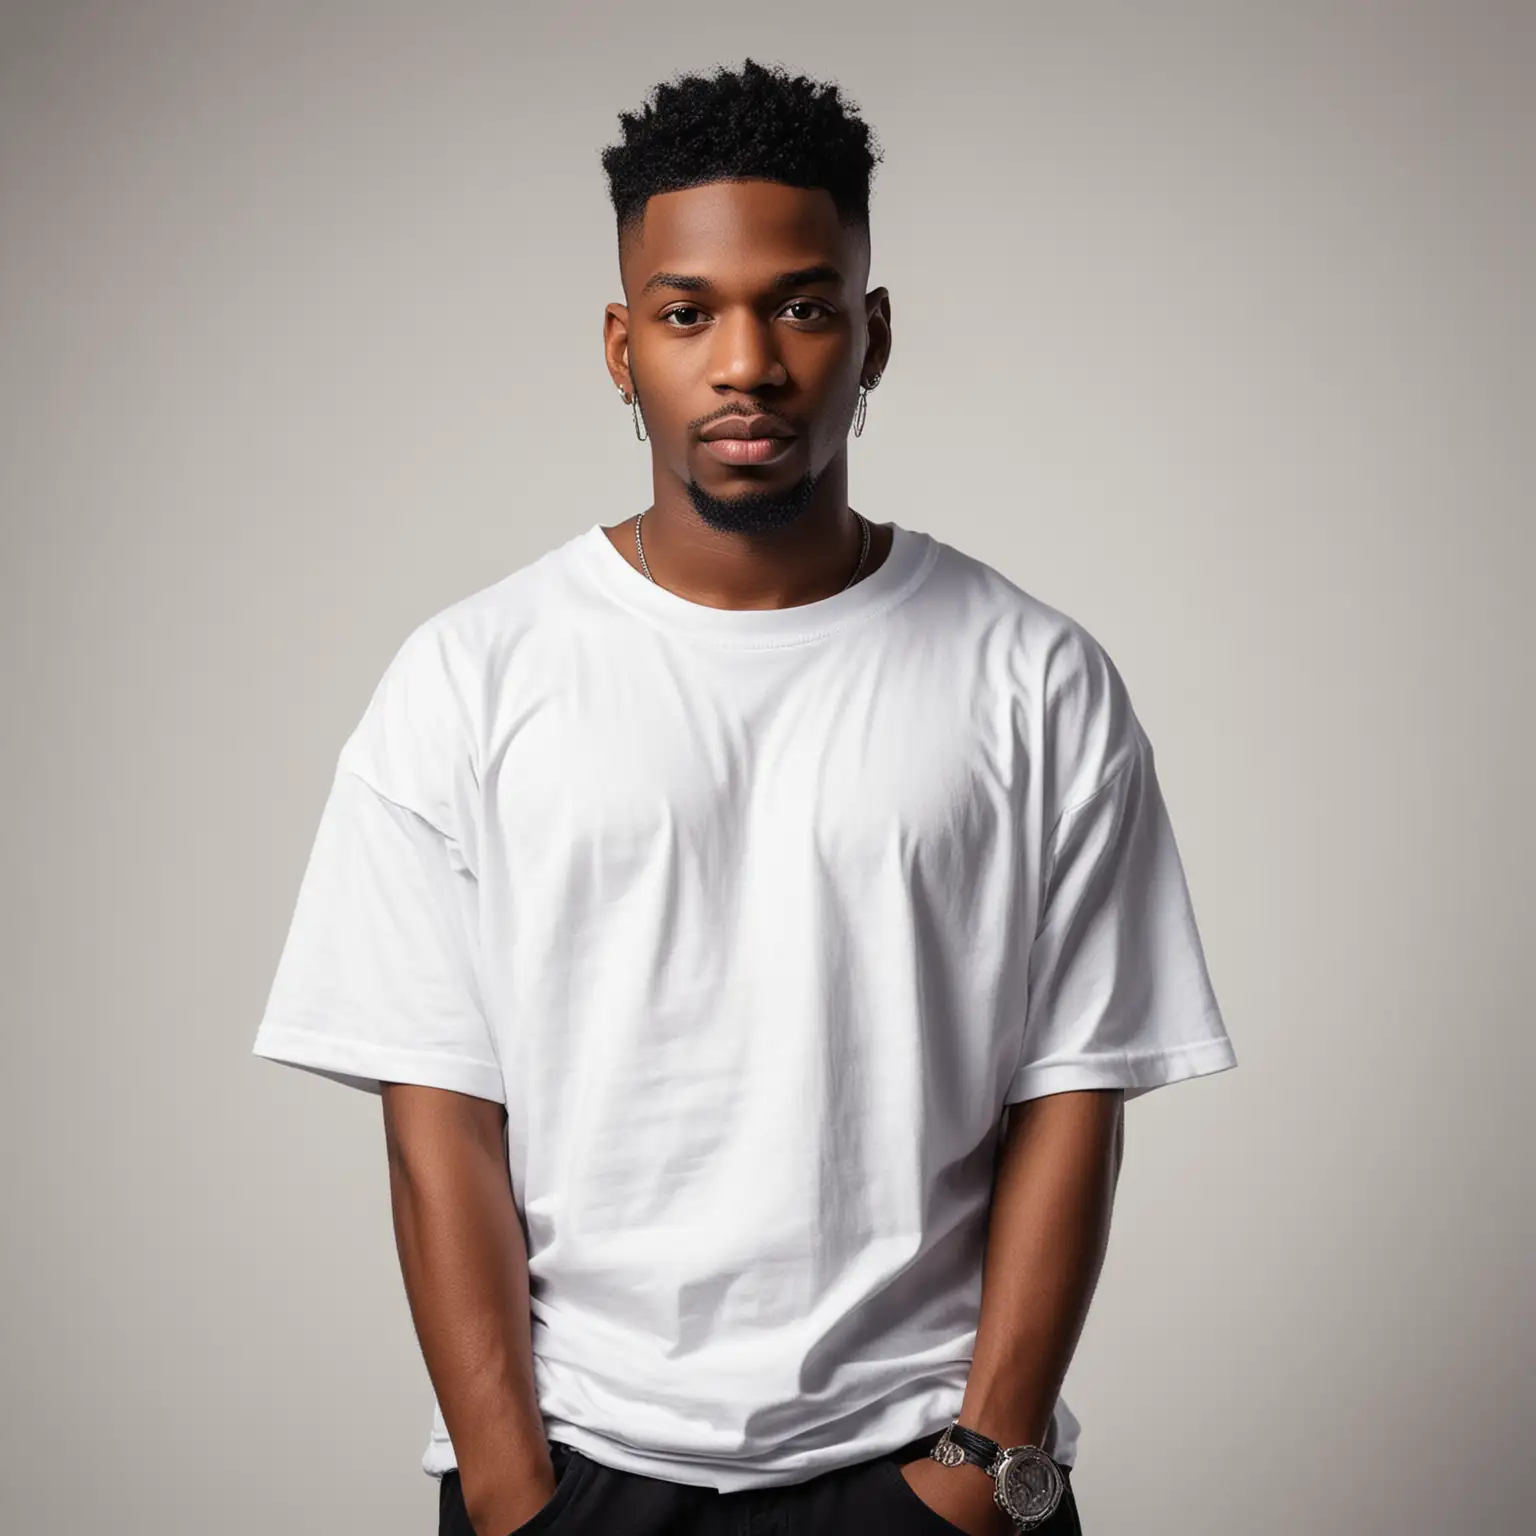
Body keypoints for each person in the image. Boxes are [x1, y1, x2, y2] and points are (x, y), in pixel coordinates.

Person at [251, 57, 1238, 1536]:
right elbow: (437, 1117)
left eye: (802, 302)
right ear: (619, 342)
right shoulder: (469, 678)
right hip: (575, 1474)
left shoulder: (1033, 675)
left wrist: (979, 1471)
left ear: (872, 332)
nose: (747, 364)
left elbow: (1074, 1090)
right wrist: (515, 1491)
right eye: (686, 311)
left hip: (922, 1472)